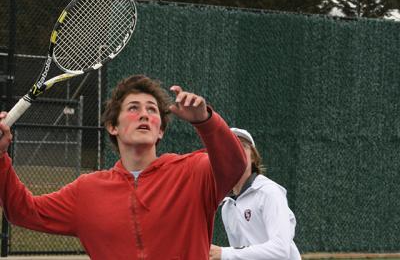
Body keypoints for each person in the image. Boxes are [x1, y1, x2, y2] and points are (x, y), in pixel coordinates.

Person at [0, 75, 247, 260]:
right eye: (133, 108)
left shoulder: (194, 171)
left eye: (152, 110)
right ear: (112, 127)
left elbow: (235, 166)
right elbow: (23, 211)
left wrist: (206, 121)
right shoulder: (87, 191)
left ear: (160, 129)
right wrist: (1, 157)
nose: (144, 115)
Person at [209, 128, 301, 260]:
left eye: (242, 147)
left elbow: (281, 250)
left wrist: (224, 253)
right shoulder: (227, 207)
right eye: (229, 148)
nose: (236, 153)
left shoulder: (269, 192)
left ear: (253, 156)